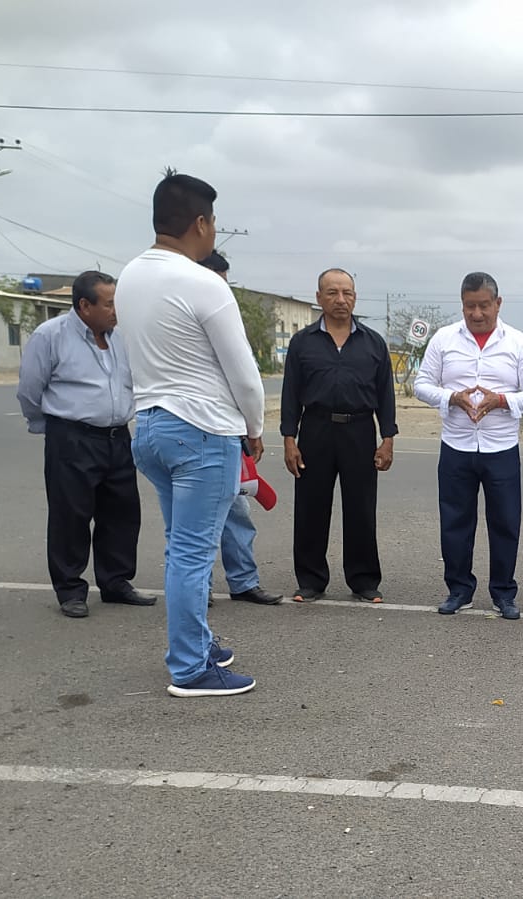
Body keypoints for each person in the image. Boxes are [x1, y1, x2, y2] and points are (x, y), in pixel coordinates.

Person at [116, 172, 265, 697]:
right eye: (214, 222)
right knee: (193, 553)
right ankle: (189, 666)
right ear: (200, 223)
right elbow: (243, 372)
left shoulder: (130, 276)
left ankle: (196, 643)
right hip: (202, 430)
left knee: (180, 546)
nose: (214, 231)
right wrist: (254, 428)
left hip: (151, 426)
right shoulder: (204, 283)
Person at [17, 270, 154, 619]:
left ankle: (116, 581)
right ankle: (70, 589)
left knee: (122, 513)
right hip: (72, 438)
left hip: (117, 437)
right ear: (84, 305)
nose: (116, 310)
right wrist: (51, 428)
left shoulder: (121, 338)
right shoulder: (51, 335)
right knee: (71, 515)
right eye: (109, 304)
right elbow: (30, 390)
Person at [413, 272, 523, 620]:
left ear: (498, 304)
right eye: (469, 306)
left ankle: (503, 592)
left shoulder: (516, 342)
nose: (476, 314)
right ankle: (459, 589)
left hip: (500, 448)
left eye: (484, 306)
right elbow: (421, 385)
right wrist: (451, 397)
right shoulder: (444, 339)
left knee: (505, 522)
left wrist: (502, 400)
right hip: (456, 446)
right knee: (455, 521)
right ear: (462, 304)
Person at [280, 267, 397, 603]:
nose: (340, 299)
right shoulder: (303, 342)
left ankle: (364, 580)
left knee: (361, 507)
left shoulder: (372, 343)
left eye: (347, 293)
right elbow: (290, 394)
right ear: (319, 298)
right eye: (332, 292)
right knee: (311, 506)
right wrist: (289, 439)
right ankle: (311, 580)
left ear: (355, 298)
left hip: (359, 430)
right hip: (315, 430)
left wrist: (387, 438)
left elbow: (385, 394)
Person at [196, 250, 283, 608]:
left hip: (229, 432)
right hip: (196, 430)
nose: (221, 290)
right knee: (197, 519)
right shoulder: (183, 323)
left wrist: (249, 430)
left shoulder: (225, 318)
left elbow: (244, 378)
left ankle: (243, 581)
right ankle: (197, 588)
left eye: (224, 283)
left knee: (237, 510)